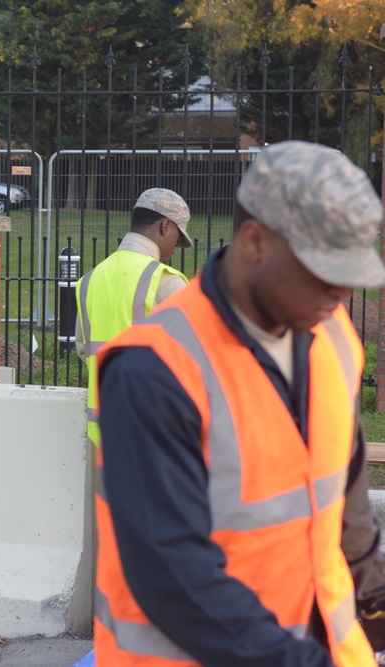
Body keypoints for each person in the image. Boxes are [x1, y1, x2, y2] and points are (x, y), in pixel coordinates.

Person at [92, 140, 385, 666]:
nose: (341, 292)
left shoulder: (331, 332)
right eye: (324, 268)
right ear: (255, 242)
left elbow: (346, 494)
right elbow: (174, 572)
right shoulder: (154, 369)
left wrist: (376, 611)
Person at [75, 187, 193, 445]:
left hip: (104, 428)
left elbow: (84, 350)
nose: (176, 247)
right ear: (166, 225)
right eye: (177, 237)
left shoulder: (89, 280)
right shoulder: (164, 281)